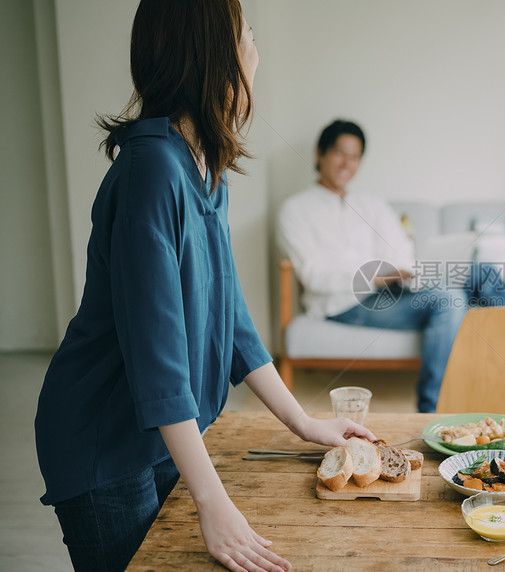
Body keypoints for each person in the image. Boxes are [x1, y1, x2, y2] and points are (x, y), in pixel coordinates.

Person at [34, 2, 374, 571]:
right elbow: (157, 360)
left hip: (165, 431)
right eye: (248, 36)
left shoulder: (201, 166)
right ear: (217, 57)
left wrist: (302, 422)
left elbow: (230, 317)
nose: (256, 52)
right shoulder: (153, 175)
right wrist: (212, 500)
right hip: (105, 438)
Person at [277, 120, 505, 414]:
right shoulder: (295, 210)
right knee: (451, 299)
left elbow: (400, 252)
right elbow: (313, 275)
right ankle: (431, 411)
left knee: (483, 273)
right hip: (345, 303)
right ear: (320, 154)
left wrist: (406, 272)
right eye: (340, 153)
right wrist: (376, 278)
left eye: (355, 156)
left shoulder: (371, 205)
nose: (347, 163)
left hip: (394, 288)